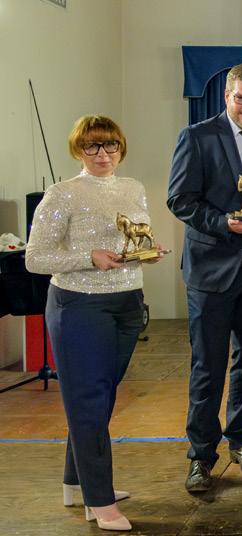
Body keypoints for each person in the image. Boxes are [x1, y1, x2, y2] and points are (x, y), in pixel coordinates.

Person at [27, 115, 162, 531]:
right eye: (93, 146)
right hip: (79, 306)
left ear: (121, 148)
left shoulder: (133, 188)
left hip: (127, 302)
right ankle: (100, 501)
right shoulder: (62, 194)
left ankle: (77, 482)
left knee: (99, 399)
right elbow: (35, 258)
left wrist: (146, 253)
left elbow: (132, 239)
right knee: (88, 402)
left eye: (110, 145)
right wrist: (89, 257)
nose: (103, 154)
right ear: (78, 150)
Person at [167, 63, 242, 492]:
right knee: (208, 367)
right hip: (213, 271)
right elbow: (179, 199)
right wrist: (224, 223)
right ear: (226, 96)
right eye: (241, 98)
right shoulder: (197, 137)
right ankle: (201, 456)